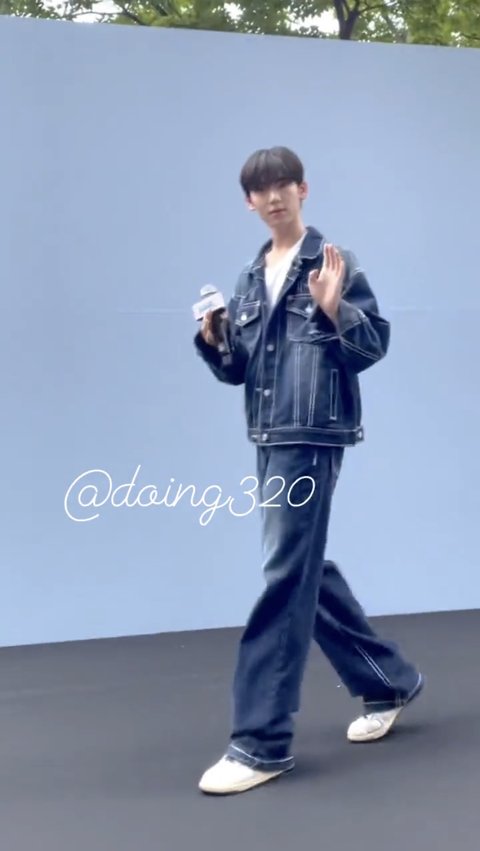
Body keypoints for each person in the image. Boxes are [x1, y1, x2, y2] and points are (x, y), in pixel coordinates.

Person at [193, 146, 423, 796]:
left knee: (285, 573)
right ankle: (388, 679)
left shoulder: (332, 262)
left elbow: (371, 345)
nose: (273, 198)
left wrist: (332, 308)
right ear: (249, 203)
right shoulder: (249, 276)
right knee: (301, 566)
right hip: (267, 435)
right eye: (260, 190)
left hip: (313, 435)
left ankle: (260, 741)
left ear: (303, 189)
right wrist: (215, 340)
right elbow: (240, 369)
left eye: (283, 185)